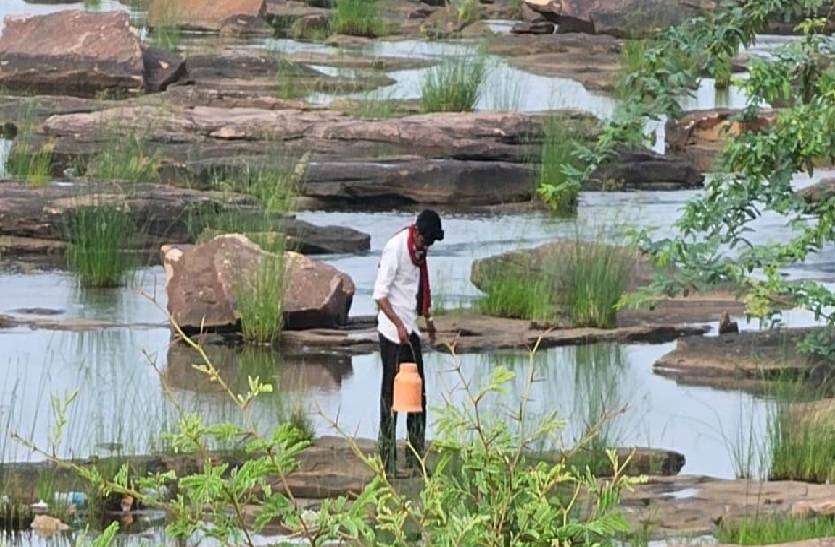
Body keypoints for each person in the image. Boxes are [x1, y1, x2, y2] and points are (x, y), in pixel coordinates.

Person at [372, 209, 444, 477]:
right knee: (390, 396)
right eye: (429, 241)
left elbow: (418, 291)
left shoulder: (419, 254)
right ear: (419, 234)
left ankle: (415, 458)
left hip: (409, 328)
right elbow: (380, 295)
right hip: (392, 332)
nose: (430, 247)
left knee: (418, 396)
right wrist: (399, 325)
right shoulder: (395, 249)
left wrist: (427, 321)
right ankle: (387, 462)